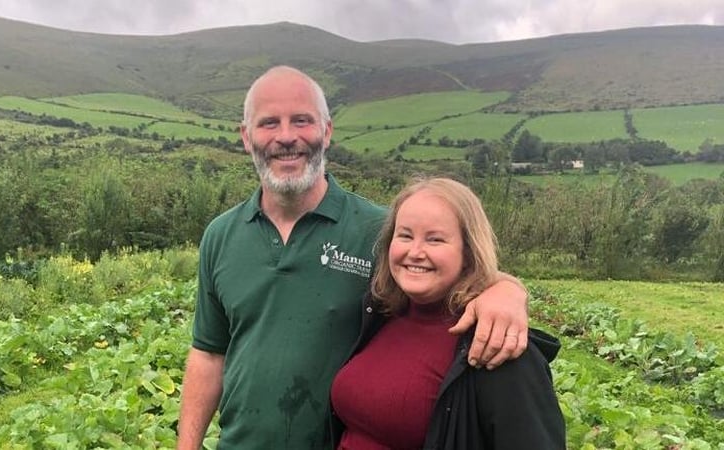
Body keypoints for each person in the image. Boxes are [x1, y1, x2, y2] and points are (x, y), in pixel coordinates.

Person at [176, 66, 530, 450]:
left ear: (327, 131)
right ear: (246, 137)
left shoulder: (380, 231)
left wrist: (507, 291)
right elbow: (209, 354)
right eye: (268, 123)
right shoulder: (220, 235)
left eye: (301, 120)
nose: (286, 137)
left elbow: (450, 270)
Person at [330, 177, 565, 450]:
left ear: (468, 251)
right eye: (405, 235)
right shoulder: (381, 313)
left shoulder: (495, 344)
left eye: (435, 239)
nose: (415, 252)